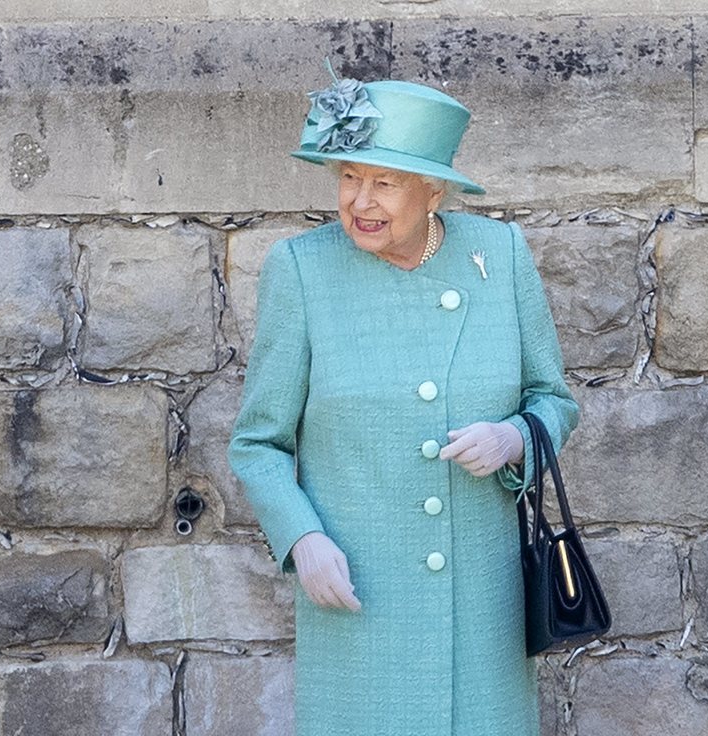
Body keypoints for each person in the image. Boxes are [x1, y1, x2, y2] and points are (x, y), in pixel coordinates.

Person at [227, 71, 579, 736]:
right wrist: (303, 540)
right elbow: (259, 443)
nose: (360, 201)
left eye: (383, 182)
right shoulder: (301, 271)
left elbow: (552, 402)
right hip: (360, 600)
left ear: (434, 189)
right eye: (347, 177)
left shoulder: (500, 256)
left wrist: (513, 441)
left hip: (484, 608)